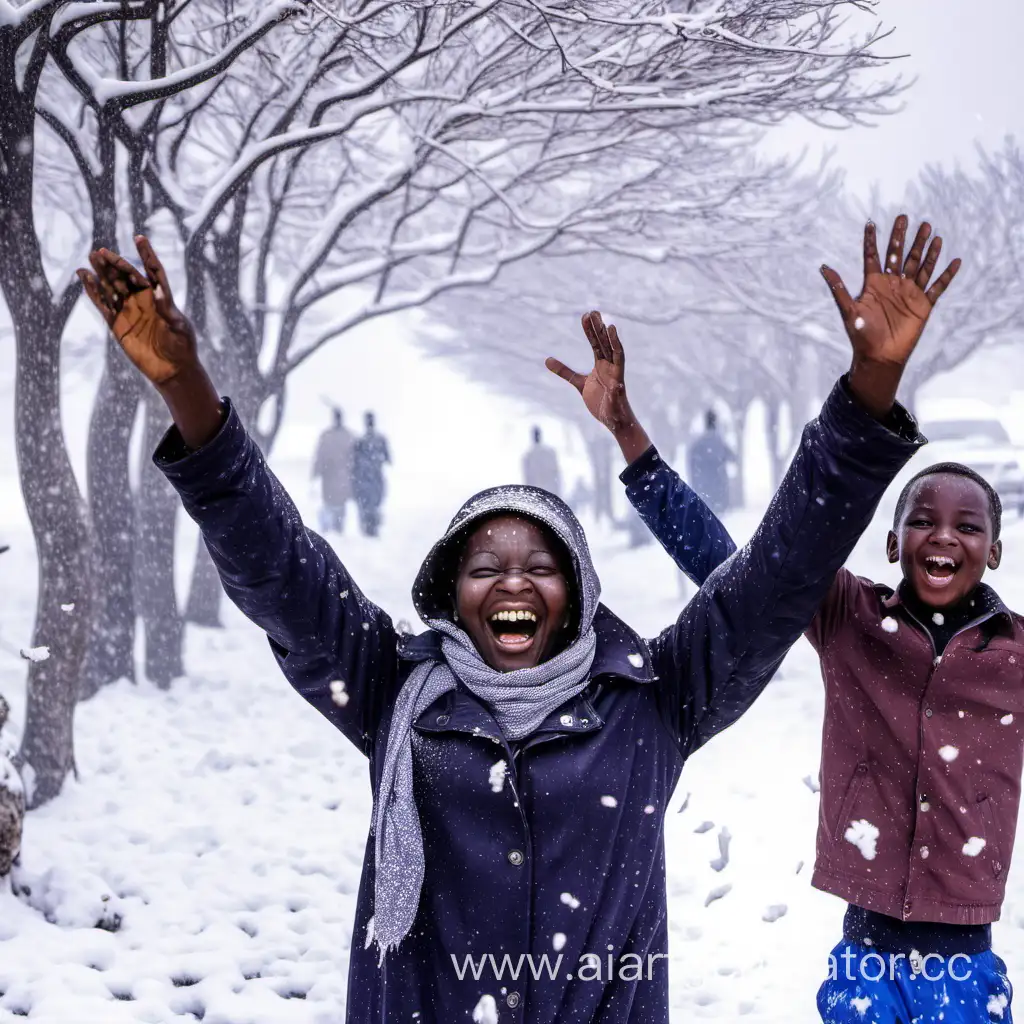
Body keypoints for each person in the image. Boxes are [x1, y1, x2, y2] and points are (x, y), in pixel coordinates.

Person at [77, 219, 927, 1024]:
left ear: (579, 593)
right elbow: (279, 569)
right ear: (454, 594)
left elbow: (781, 571)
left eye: (540, 565)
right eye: (485, 567)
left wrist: (868, 390)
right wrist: (185, 386)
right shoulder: (393, 692)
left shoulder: (655, 699)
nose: (511, 581)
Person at [623, 220, 1016, 1023]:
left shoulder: (1018, 656)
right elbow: (736, 571)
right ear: (893, 541)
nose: (945, 533)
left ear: (996, 551)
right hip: (865, 949)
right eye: (925, 518)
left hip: (967, 963)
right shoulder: (850, 617)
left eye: (968, 524)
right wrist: (636, 449)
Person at [312, 407, 355, 534]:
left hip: (331, 477)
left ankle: (332, 530)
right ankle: (337, 529)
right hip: (342, 477)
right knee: (339, 505)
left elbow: (320, 456)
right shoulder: (349, 436)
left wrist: (316, 472)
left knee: (331, 503)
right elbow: (354, 458)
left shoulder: (327, 436)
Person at [686, 408, 735, 516]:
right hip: (719, 487)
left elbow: (691, 464)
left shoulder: (698, 443)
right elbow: (733, 457)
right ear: (716, 422)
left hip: (704, 488)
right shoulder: (719, 441)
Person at [352, 411, 390, 538]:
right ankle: (372, 528)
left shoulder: (360, 441)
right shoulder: (380, 439)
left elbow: (354, 463)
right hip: (375, 480)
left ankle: (368, 528)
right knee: (373, 505)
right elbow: (389, 459)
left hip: (363, 480)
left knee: (366, 506)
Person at [522, 426, 562, 496]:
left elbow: (527, 477)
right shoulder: (549, 452)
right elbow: (556, 473)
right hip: (549, 491)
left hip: (538, 493)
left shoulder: (528, 455)